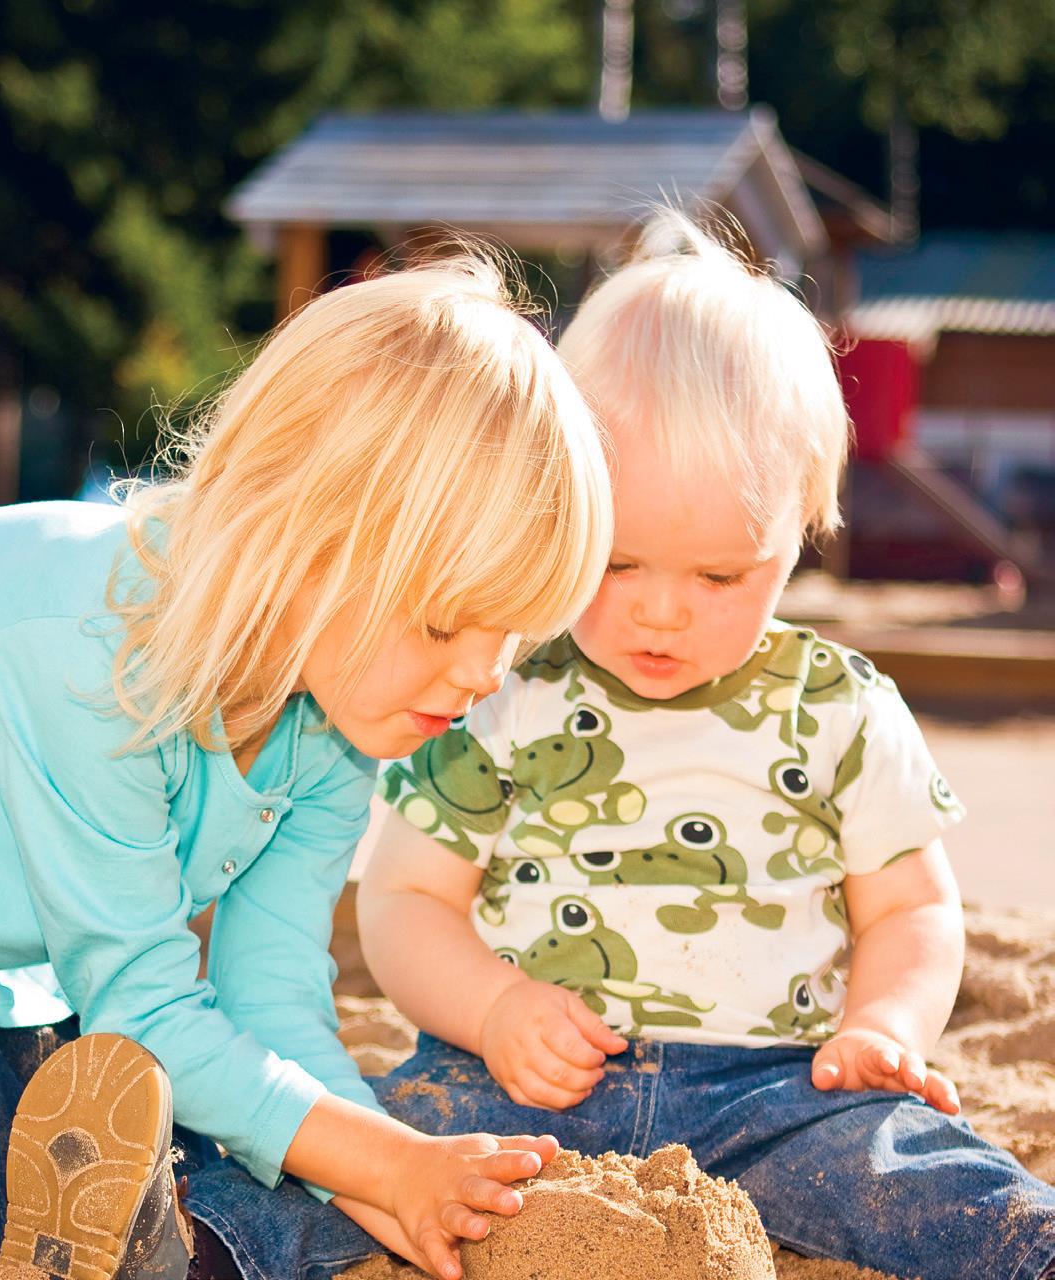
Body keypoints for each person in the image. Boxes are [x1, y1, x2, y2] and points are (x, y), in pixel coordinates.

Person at [0, 253, 613, 1280]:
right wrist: (383, 1160)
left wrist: (383, 1180)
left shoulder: (345, 714)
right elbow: (148, 1004)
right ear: (300, 537)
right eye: (443, 621)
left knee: (164, 1142)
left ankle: (193, 1254)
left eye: (511, 636)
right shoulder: (92, 655)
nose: (480, 677)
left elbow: (264, 995)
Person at [354, 212, 1055, 1280]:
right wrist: (490, 1005)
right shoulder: (501, 687)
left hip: (778, 1093)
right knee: (362, 1146)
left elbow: (910, 906)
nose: (660, 614)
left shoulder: (837, 706)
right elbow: (403, 898)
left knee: (923, 1169)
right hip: (519, 1082)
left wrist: (879, 1024)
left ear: (799, 530)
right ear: (558, 506)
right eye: (618, 561)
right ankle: (199, 1234)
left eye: (718, 576)